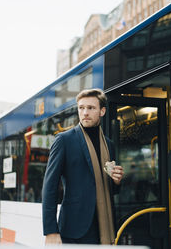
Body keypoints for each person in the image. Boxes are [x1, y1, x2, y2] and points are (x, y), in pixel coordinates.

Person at [42, 88, 124, 245]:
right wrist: (51, 230)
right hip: (74, 229)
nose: (85, 112)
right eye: (81, 108)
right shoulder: (64, 140)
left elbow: (111, 190)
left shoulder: (109, 145)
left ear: (102, 111)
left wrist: (117, 181)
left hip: (103, 227)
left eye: (91, 108)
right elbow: (49, 186)